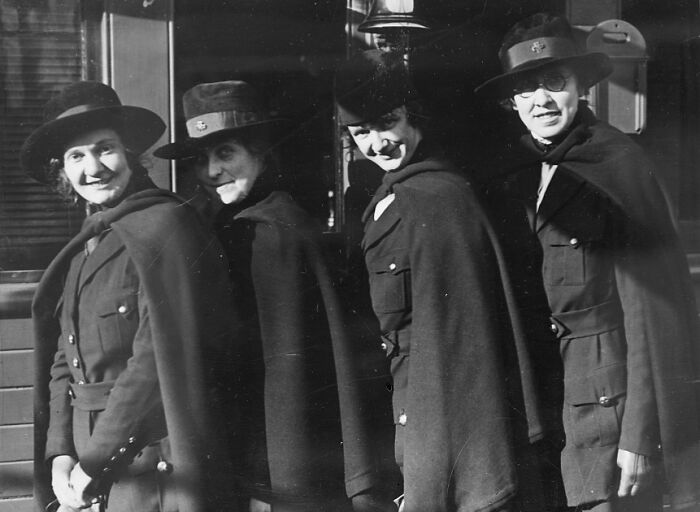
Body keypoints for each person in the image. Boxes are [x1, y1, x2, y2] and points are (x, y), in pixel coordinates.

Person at [476, 13, 700, 512]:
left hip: (607, 405)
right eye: (527, 89)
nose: (542, 101)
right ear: (512, 102)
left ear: (582, 88)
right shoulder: (516, 174)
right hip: (541, 402)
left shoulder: (620, 166)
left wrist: (640, 434)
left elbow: (650, 314)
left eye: (555, 82)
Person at [334, 49, 555, 512]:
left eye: (386, 123)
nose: (376, 144)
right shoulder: (387, 198)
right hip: (409, 417)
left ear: (412, 116)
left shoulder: (440, 199)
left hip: (445, 424)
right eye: (361, 133)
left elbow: (460, 347)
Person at [154, 80, 390, 512]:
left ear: (260, 153)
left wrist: (268, 487)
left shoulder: (267, 234)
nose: (211, 172)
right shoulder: (244, 225)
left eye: (226, 153)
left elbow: (284, 377)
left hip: (280, 470)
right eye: (201, 159)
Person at [24, 81, 234, 512]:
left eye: (105, 149)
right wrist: (62, 451)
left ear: (130, 155)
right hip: (88, 460)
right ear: (62, 171)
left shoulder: (166, 226)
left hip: (150, 462)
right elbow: (66, 357)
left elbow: (155, 360)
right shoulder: (89, 245)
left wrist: (94, 462)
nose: (94, 167)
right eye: (76, 157)